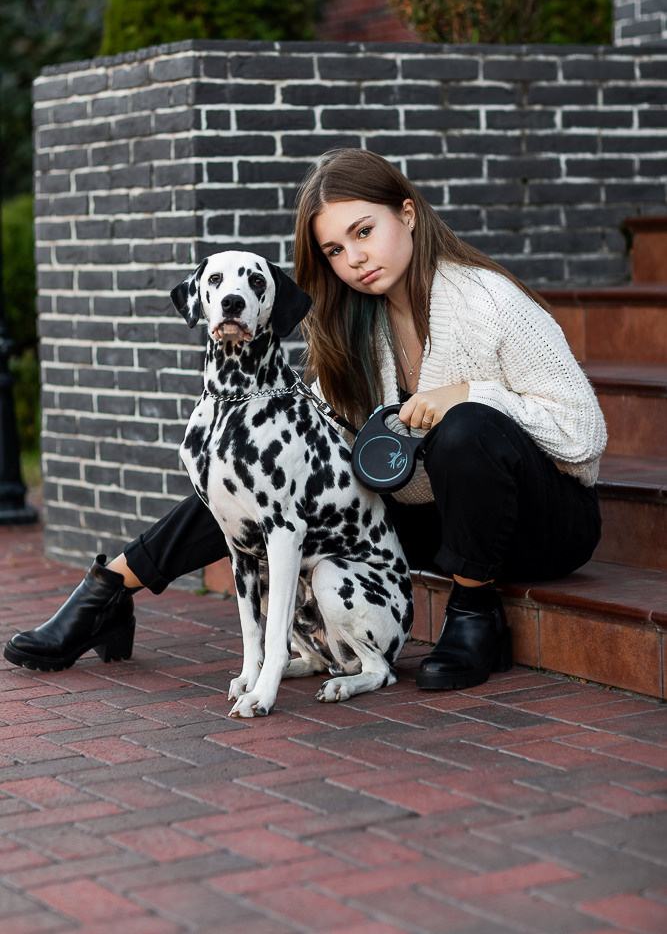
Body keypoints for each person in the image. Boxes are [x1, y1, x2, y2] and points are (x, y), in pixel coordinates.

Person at [4, 148, 606, 690]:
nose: (355, 259)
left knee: (467, 427)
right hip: (431, 515)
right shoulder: (357, 326)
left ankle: (476, 616)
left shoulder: (489, 302)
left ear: (409, 213)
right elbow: (314, 445)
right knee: (262, 468)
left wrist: (468, 393)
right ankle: (112, 587)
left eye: (364, 231)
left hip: (541, 523)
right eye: (336, 250)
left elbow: (584, 434)